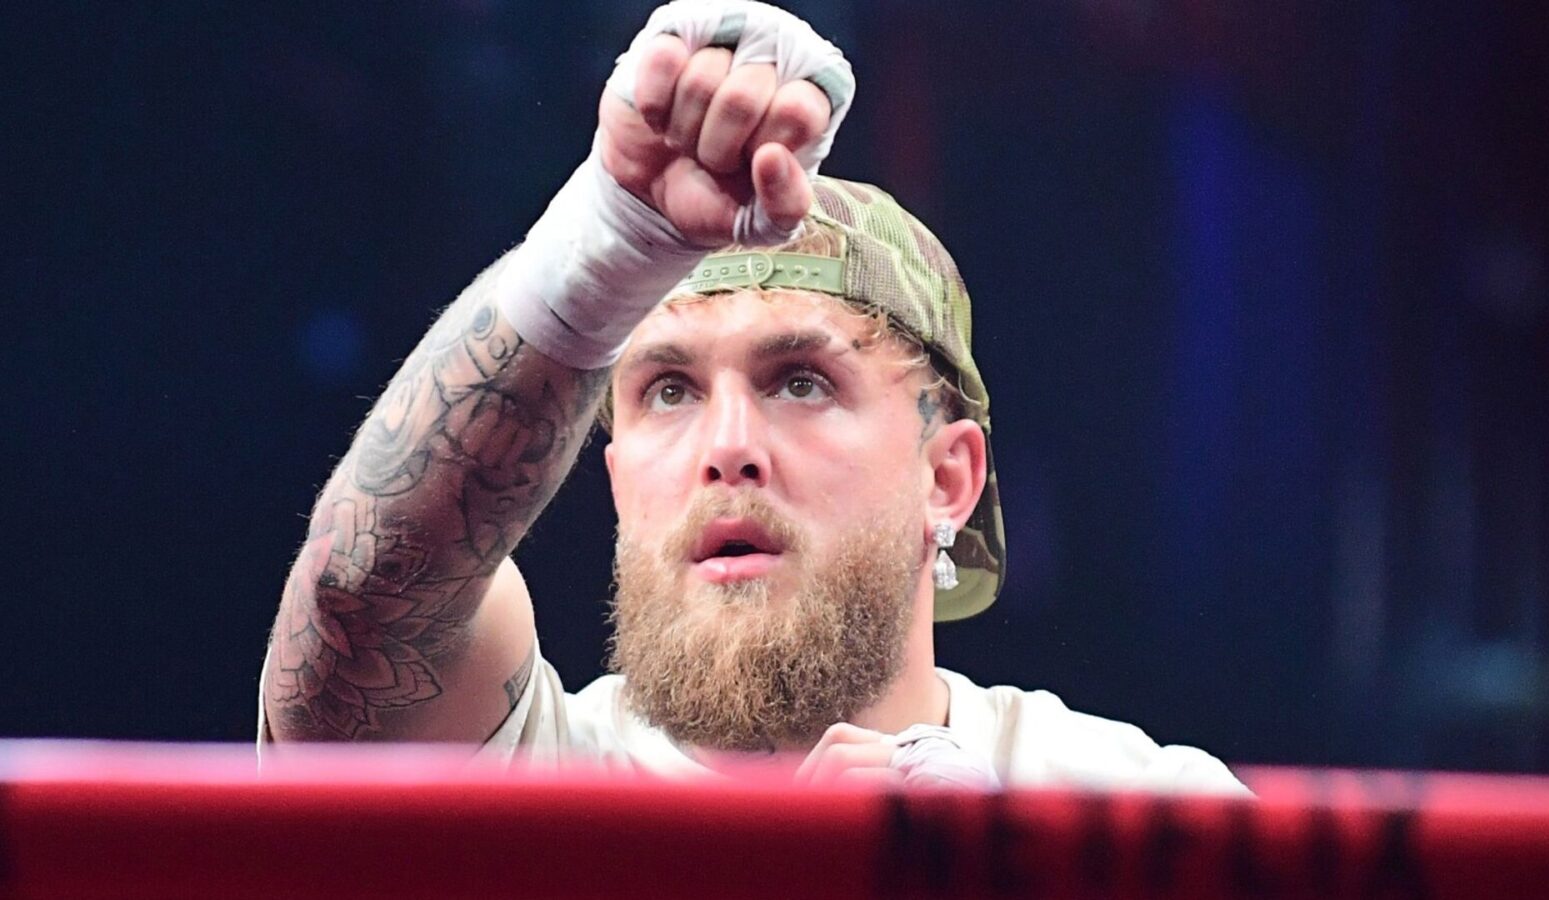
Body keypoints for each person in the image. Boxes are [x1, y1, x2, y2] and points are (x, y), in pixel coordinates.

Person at [259, 0, 1245, 793]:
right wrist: (601, 248)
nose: (727, 445)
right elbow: (358, 606)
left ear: (947, 478)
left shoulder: (1130, 813)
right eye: (669, 390)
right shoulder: (532, 778)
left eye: (802, 381)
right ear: (611, 478)